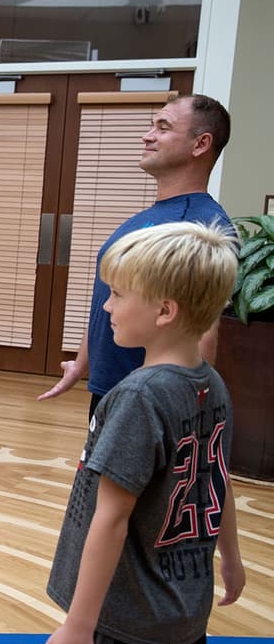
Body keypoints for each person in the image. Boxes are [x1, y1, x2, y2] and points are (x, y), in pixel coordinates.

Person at [34, 220, 244, 644]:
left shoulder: (137, 398)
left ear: (165, 310)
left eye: (117, 295)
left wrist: (79, 628)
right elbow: (215, 481)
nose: (106, 308)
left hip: (125, 625)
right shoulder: (209, 384)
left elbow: (110, 519)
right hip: (182, 610)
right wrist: (231, 559)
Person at [39, 94, 234, 416]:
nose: (147, 136)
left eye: (163, 127)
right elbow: (109, 296)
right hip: (112, 389)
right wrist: (82, 363)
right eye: (151, 125)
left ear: (200, 144)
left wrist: (191, 412)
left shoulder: (201, 225)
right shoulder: (150, 217)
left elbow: (204, 328)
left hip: (149, 400)